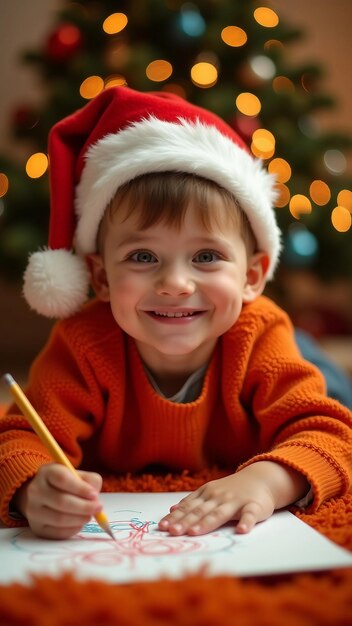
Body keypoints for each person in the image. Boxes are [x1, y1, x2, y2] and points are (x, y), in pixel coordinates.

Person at [0, 87, 351, 540]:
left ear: (253, 275)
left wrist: (263, 480)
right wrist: (34, 488)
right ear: (101, 278)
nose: (175, 284)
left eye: (206, 256)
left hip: (279, 351)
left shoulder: (258, 333)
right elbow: (17, 440)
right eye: (143, 257)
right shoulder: (82, 340)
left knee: (332, 388)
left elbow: (331, 436)